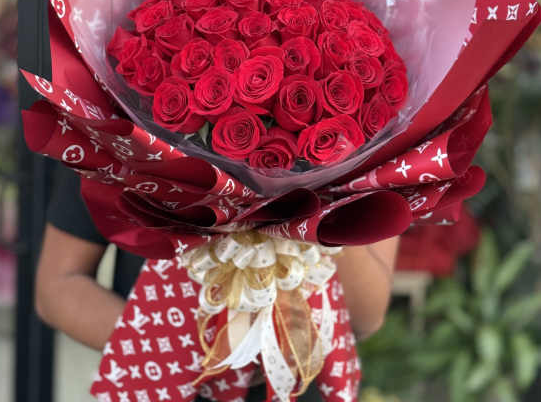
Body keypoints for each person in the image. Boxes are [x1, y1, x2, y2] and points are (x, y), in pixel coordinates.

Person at [36, 164, 399, 401]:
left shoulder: (366, 135)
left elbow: (365, 317)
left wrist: (325, 178)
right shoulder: (126, 114)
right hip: (160, 383)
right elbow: (58, 285)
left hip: (298, 388)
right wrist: (181, 351)